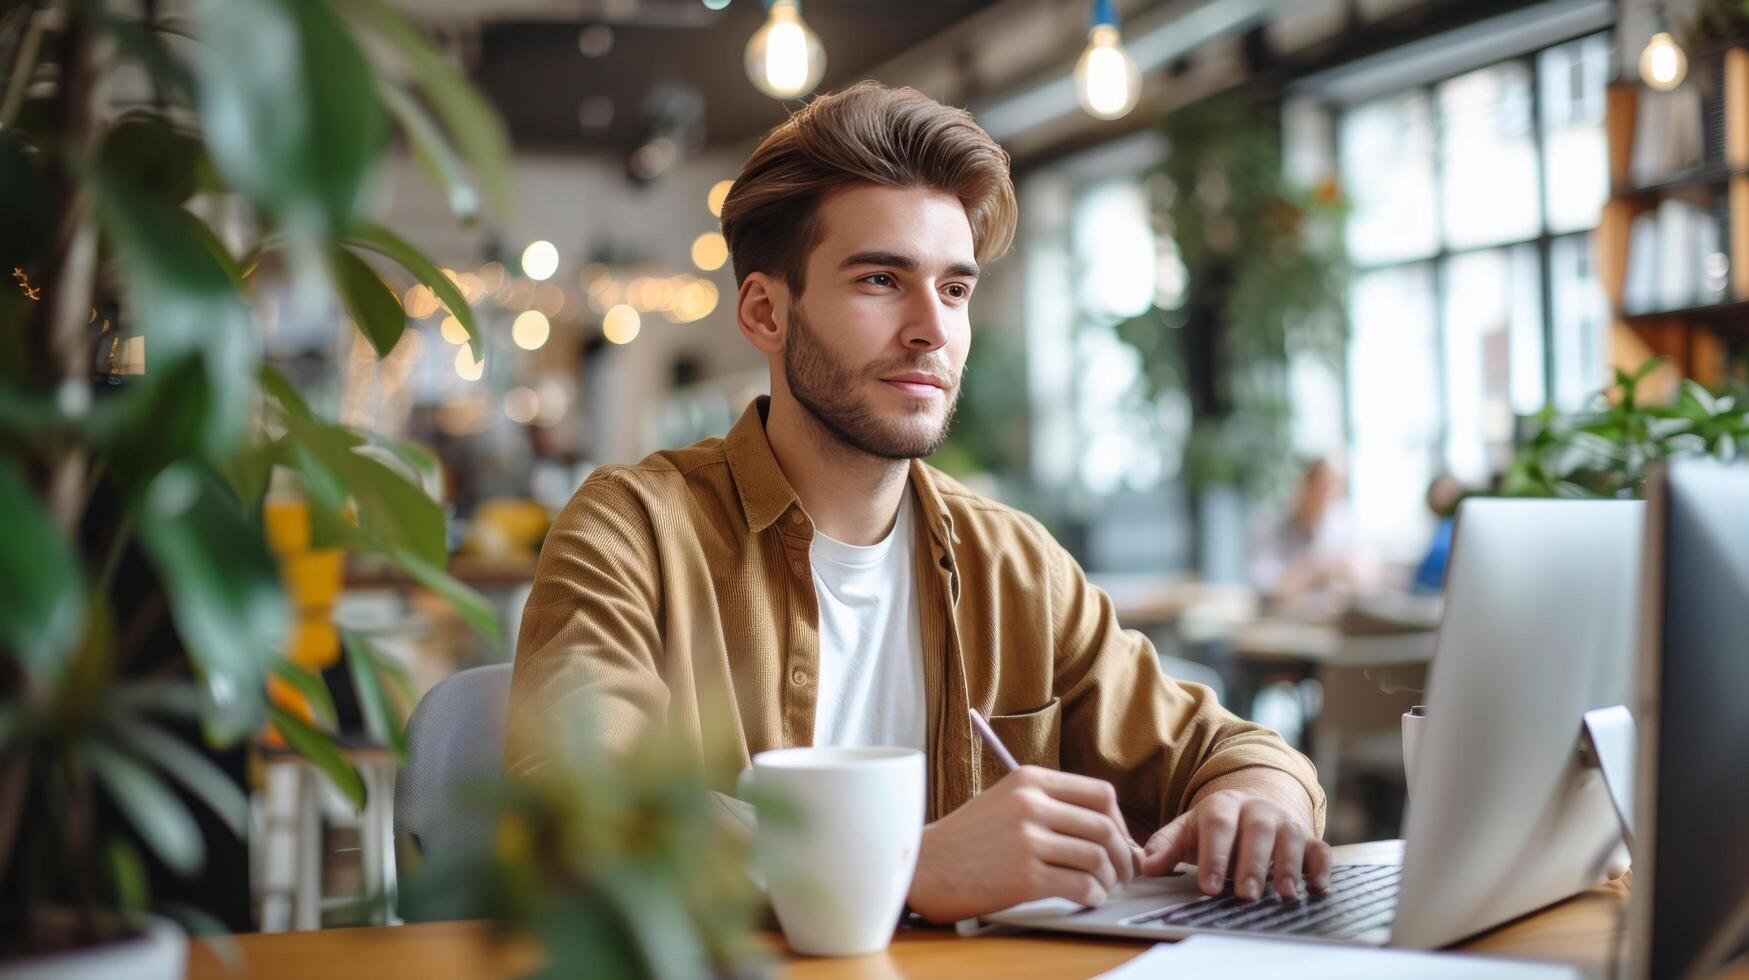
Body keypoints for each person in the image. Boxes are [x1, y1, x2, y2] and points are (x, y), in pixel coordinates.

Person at [505, 82, 1329, 924]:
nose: (931, 329)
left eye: (955, 289)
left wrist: (1260, 800)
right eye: (879, 280)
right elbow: (578, 810)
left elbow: (1227, 749)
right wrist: (897, 865)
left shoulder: (1011, 562)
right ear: (764, 312)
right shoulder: (631, 530)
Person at [1248, 458, 1377, 617]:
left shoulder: (1344, 527)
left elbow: (1366, 580)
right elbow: (1270, 589)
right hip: (1281, 625)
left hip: (1328, 625)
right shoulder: (1268, 524)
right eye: (1319, 488)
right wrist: (1316, 568)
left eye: (1331, 490)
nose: (1324, 497)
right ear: (1303, 485)